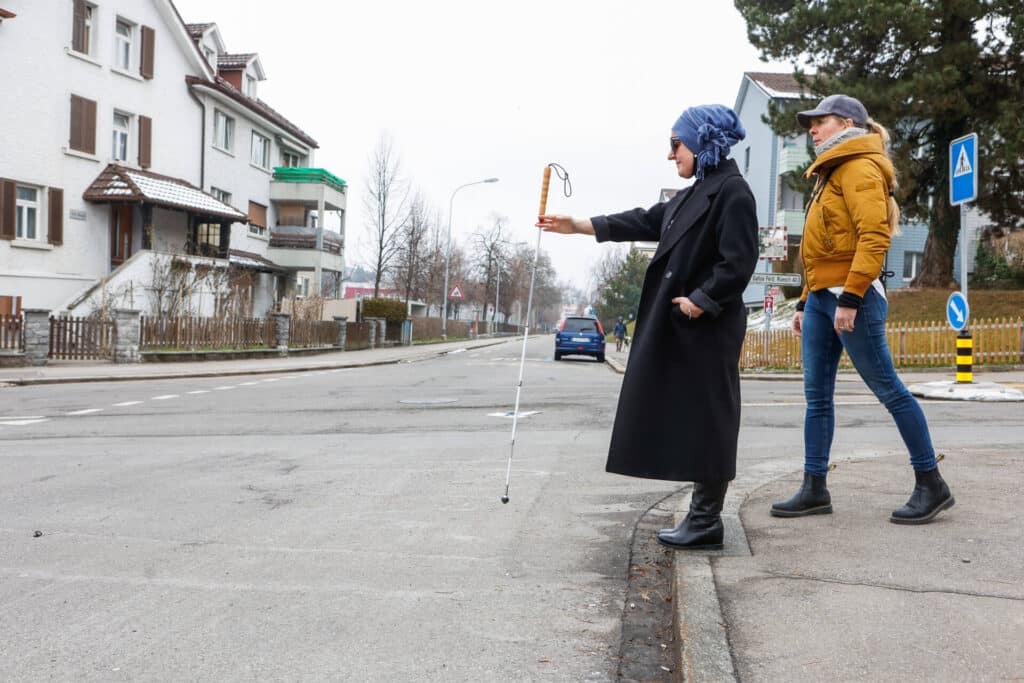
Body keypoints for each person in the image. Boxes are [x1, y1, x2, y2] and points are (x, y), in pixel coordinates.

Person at [538, 105, 758, 550]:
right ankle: (702, 518)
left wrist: (701, 301)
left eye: (676, 144)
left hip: (707, 328)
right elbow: (643, 219)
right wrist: (579, 226)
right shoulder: (697, 192)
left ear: (702, 141)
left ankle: (706, 519)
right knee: (693, 417)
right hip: (685, 327)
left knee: (711, 418)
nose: (670, 154)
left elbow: (739, 261)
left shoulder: (733, 192)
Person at [770, 94, 954, 524]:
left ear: (848, 123)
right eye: (809, 125)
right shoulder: (830, 171)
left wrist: (850, 298)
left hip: (853, 298)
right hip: (820, 298)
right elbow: (819, 247)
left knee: (890, 391)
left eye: (820, 122)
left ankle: (932, 483)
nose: (812, 130)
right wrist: (804, 300)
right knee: (817, 399)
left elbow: (874, 236)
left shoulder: (860, 166)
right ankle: (814, 487)